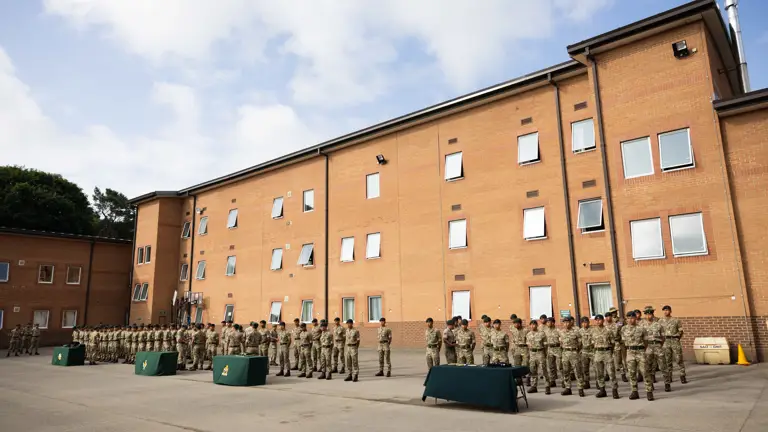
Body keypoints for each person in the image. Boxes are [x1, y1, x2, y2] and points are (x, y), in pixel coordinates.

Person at [622, 311, 651, 401]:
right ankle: (634, 391)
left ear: (635, 318)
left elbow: (646, 342)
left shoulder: (641, 329)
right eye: (628, 318)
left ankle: (649, 391)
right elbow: (623, 342)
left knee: (645, 372)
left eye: (632, 318)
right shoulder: (623, 329)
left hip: (640, 351)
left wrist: (641, 349)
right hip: (630, 352)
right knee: (631, 373)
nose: (630, 320)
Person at [591, 314, 619, 399]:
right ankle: (602, 390)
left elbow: (613, 342)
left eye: (599, 320)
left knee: (611, 373)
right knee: (599, 373)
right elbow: (591, 343)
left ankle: (614, 390)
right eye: (596, 320)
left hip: (607, 352)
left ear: (603, 321)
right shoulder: (593, 331)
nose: (598, 321)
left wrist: (609, 350)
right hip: (598, 353)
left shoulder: (608, 330)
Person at [660, 305, 687, 385]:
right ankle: (669, 376)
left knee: (679, 359)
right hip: (666, 341)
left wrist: (677, 338)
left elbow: (681, 331)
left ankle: (682, 375)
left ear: (670, 311)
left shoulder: (676, 320)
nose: (665, 312)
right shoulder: (660, 321)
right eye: (664, 310)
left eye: (667, 310)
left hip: (675, 340)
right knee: (667, 360)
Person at [559, 316, 585, 397]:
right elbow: (561, 343)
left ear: (571, 322)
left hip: (574, 353)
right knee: (566, 372)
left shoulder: (576, 332)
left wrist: (576, 350)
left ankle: (580, 388)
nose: (566, 324)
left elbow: (581, 343)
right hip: (565, 353)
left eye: (567, 322)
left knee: (578, 371)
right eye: (564, 322)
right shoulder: (561, 332)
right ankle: (568, 388)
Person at [644, 306, 666, 391]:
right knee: (648, 367)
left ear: (653, 315)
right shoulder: (642, 325)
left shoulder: (658, 325)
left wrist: (659, 344)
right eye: (647, 314)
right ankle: (650, 384)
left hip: (658, 346)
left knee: (663, 366)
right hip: (648, 347)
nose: (648, 316)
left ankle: (667, 383)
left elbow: (663, 337)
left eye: (650, 314)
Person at [526, 320, 550, 394]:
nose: (533, 326)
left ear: (537, 325)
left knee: (543, 370)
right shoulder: (528, 334)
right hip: (532, 354)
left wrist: (545, 354)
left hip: (540, 353)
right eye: (531, 325)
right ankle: (534, 386)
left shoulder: (542, 334)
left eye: (534, 325)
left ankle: (547, 386)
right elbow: (528, 344)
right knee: (533, 370)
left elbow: (545, 345)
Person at [605, 309, 627, 382]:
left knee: (619, 361)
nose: (608, 318)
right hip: (607, 345)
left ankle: (623, 374)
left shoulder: (617, 323)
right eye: (607, 316)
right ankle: (607, 375)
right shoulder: (604, 325)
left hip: (616, 343)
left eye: (609, 316)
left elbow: (621, 330)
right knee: (607, 360)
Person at [545, 317, 563, 389]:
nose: (548, 323)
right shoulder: (545, 331)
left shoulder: (558, 331)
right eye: (547, 322)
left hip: (557, 348)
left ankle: (563, 381)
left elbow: (562, 340)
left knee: (560, 366)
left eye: (549, 322)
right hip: (550, 349)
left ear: (553, 323)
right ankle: (552, 380)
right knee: (551, 366)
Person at [510, 317, 529, 384]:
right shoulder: (513, 330)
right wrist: (512, 349)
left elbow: (529, 340)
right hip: (517, 348)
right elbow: (513, 339)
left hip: (524, 348)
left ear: (520, 324)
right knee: (517, 365)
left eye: (517, 323)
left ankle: (528, 379)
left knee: (525, 364)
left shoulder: (526, 330)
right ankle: (518, 380)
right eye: (514, 324)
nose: (515, 325)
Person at [579, 316, 594, 389]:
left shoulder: (593, 330)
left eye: (586, 322)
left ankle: (599, 383)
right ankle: (586, 382)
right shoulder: (580, 331)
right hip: (584, 351)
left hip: (592, 351)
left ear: (589, 322)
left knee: (596, 368)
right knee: (585, 368)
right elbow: (578, 342)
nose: (585, 324)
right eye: (583, 323)